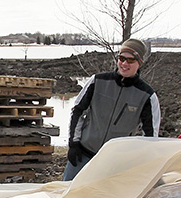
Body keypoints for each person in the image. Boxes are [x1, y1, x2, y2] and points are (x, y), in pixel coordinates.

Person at [63, 38, 161, 181]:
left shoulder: (147, 95)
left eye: (131, 60)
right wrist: (74, 143)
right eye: (121, 58)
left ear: (139, 63)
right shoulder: (97, 81)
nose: (124, 64)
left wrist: (139, 161)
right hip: (83, 154)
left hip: (115, 163)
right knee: (67, 196)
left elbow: (151, 137)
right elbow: (78, 111)